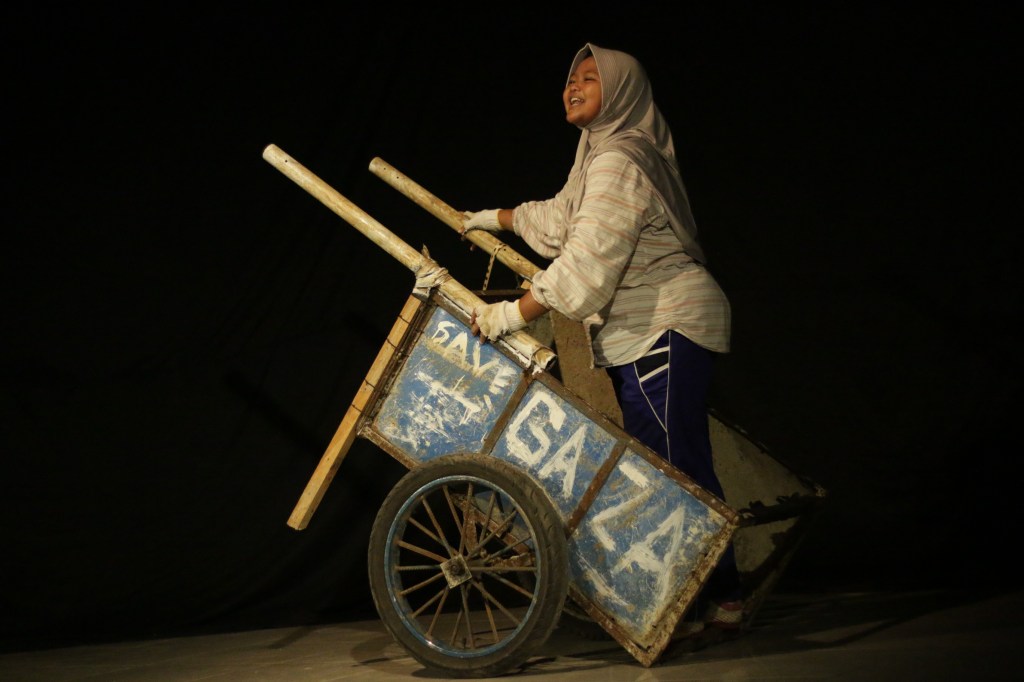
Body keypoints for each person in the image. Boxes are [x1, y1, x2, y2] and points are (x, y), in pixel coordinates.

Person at [463, 43, 742, 633]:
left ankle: (718, 595)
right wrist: (497, 216)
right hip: (642, 331)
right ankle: (708, 596)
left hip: (663, 325)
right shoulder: (598, 153)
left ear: (621, 91)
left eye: (591, 78)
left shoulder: (621, 159)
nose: (573, 85)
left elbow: (589, 261)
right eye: (570, 76)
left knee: (674, 470)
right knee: (668, 465)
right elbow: (563, 220)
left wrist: (514, 315)